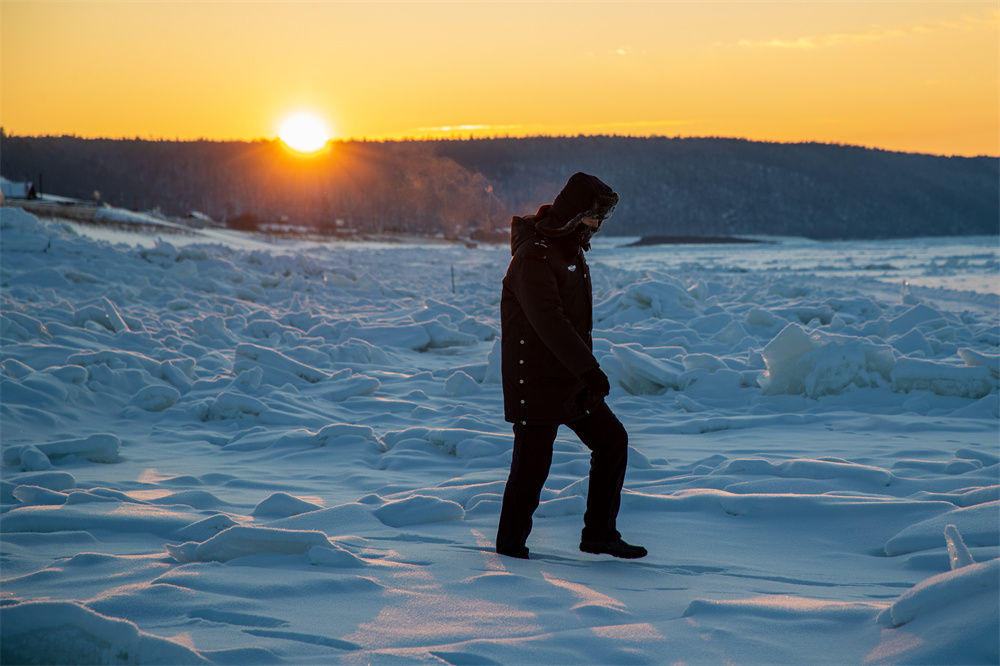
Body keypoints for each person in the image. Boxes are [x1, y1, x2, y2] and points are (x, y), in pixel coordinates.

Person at [495, 172, 647, 560]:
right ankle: (510, 551)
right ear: (574, 215)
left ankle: (599, 534)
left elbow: (574, 322)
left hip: (568, 379)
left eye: (601, 220)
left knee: (612, 441)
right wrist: (589, 369)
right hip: (536, 380)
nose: (597, 227)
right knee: (531, 471)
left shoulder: (570, 251)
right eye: (594, 218)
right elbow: (549, 320)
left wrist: (582, 372)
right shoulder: (534, 256)